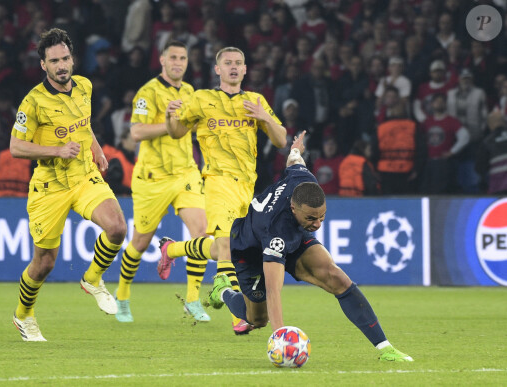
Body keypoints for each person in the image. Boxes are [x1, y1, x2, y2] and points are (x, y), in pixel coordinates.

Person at [208, 131, 413, 362]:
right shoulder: (276, 230)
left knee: (336, 277)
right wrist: (280, 337)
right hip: (250, 247)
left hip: (292, 232)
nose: (317, 224)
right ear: (295, 208)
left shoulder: (304, 180)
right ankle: (223, 291)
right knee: (257, 319)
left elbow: (294, 161)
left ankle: (385, 348)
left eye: (321, 217)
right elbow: (274, 290)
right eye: (311, 219)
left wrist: (295, 148)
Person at [10, 28, 127, 342]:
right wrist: (55, 150)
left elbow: (83, 124)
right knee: (44, 262)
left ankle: (92, 279)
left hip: (84, 176)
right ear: (43, 66)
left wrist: (97, 149)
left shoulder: (85, 87)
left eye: (65, 58)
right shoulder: (33, 102)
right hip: (50, 187)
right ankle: (23, 315)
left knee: (117, 227)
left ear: (73, 59)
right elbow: (16, 147)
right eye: (54, 61)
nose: (61, 65)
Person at [163, 46, 287, 334]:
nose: (233, 67)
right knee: (229, 247)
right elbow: (177, 132)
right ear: (217, 69)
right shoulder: (202, 99)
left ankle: (173, 249)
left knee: (226, 248)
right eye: (227, 63)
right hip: (217, 180)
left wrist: (264, 117)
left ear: (245, 70)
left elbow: (281, 140)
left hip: (248, 186)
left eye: (238, 63)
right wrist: (171, 117)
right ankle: (236, 311)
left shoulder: (255, 101)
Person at [113, 40, 211, 323]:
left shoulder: (191, 92)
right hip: (152, 177)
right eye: (174, 57)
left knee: (202, 232)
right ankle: (122, 296)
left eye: (183, 58)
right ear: (162, 61)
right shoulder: (148, 92)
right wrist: (170, 124)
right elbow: (136, 132)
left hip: (186, 173)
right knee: (140, 242)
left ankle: (192, 300)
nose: (179, 62)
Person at [475, 110, 507, 195]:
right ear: (504, 122)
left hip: (499, 188)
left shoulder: (487, 142)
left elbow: (480, 168)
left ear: (490, 125)